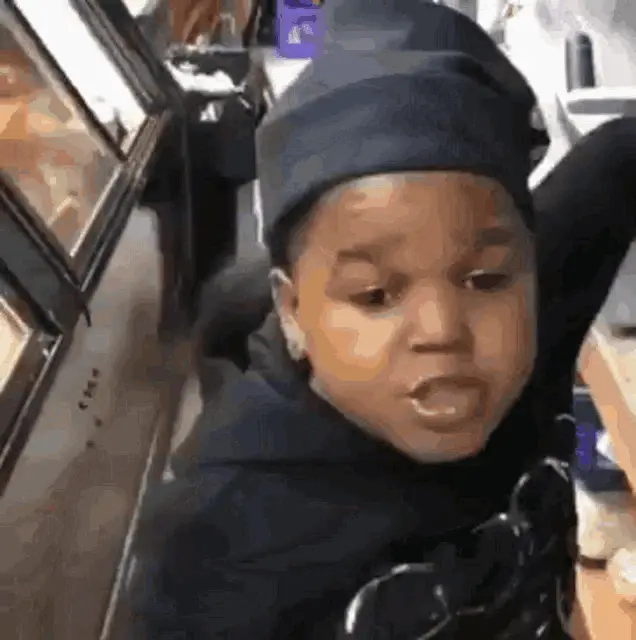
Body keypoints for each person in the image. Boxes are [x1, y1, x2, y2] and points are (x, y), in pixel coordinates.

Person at [128, 2, 636, 638]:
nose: (442, 330)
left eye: (483, 279)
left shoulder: (533, 311)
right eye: (374, 295)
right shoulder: (219, 553)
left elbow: (618, 158)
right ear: (293, 312)